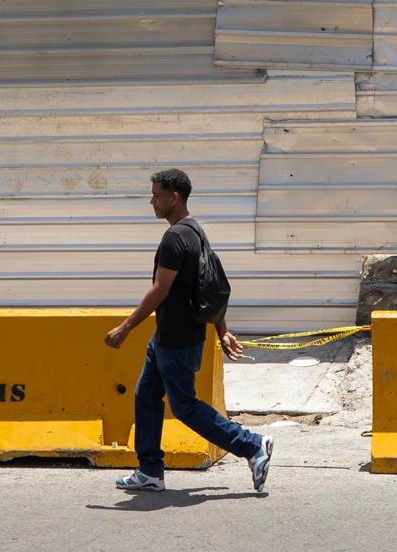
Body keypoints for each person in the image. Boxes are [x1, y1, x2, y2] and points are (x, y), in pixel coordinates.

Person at [104, 167, 273, 493]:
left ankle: (251, 444)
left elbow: (159, 290)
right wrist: (221, 329)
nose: (151, 201)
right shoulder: (194, 231)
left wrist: (125, 328)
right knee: (146, 395)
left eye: (156, 195)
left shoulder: (174, 238)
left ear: (174, 197)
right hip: (168, 336)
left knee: (183, 406)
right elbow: (212, 286)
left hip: (177, 339)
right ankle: (150, 471)